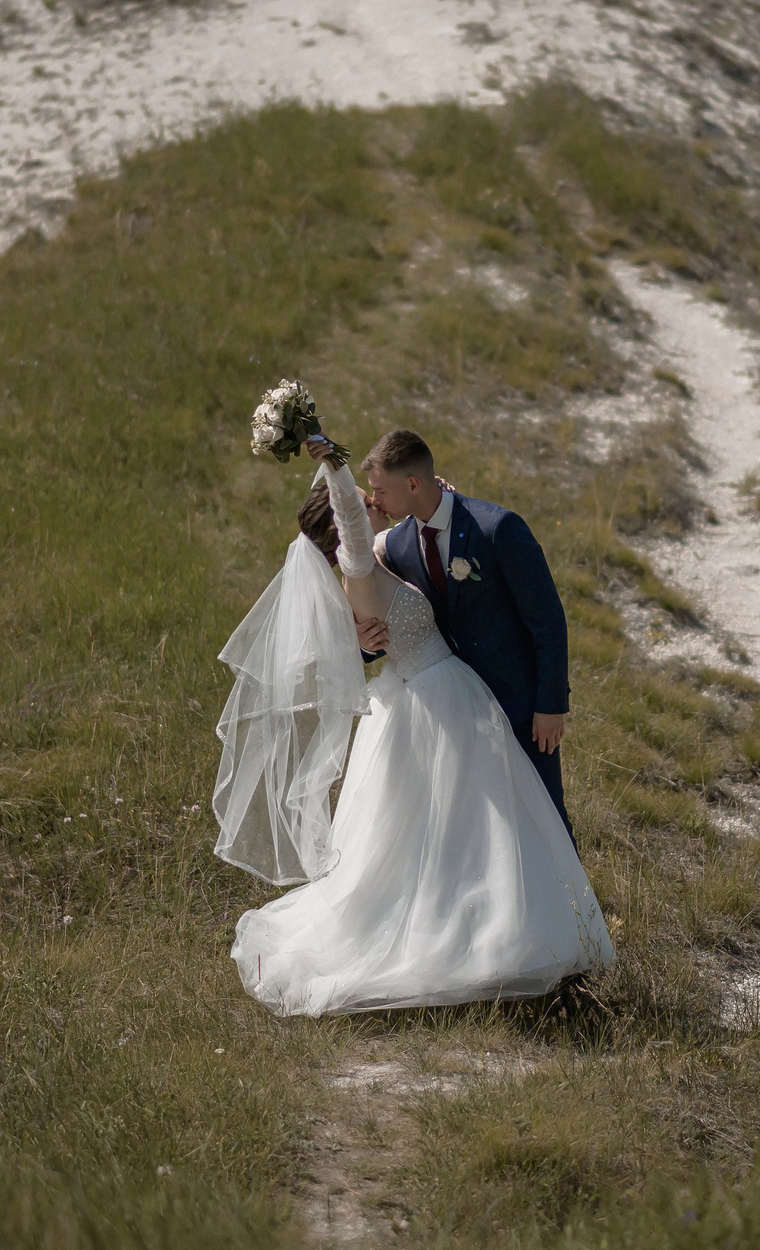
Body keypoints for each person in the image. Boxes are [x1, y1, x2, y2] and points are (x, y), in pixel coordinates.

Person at [213, 444, 612, 1016]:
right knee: (467, 828)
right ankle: (497, 945)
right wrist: (328, 455)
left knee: (451, 831)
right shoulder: (357, 558)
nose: (371, 502)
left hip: (434, 698)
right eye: (361, 499)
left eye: (377, 493)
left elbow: (405, 538)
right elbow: (355, 522)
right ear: (344, 516)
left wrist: (431, 494)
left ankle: (503, 932)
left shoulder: (380, 553)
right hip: (432, 700)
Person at [362, 429, 575, 840]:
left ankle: (574, 904)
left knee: (545, 818)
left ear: (412, 483)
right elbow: (399, 620)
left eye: (380, 490)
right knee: (476, 828)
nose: (376, 501)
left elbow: (547, 621)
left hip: (519, 709)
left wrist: (551, 705)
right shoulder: (398, 545)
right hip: (451, 713)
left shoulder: (497, 529)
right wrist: (365, 645)